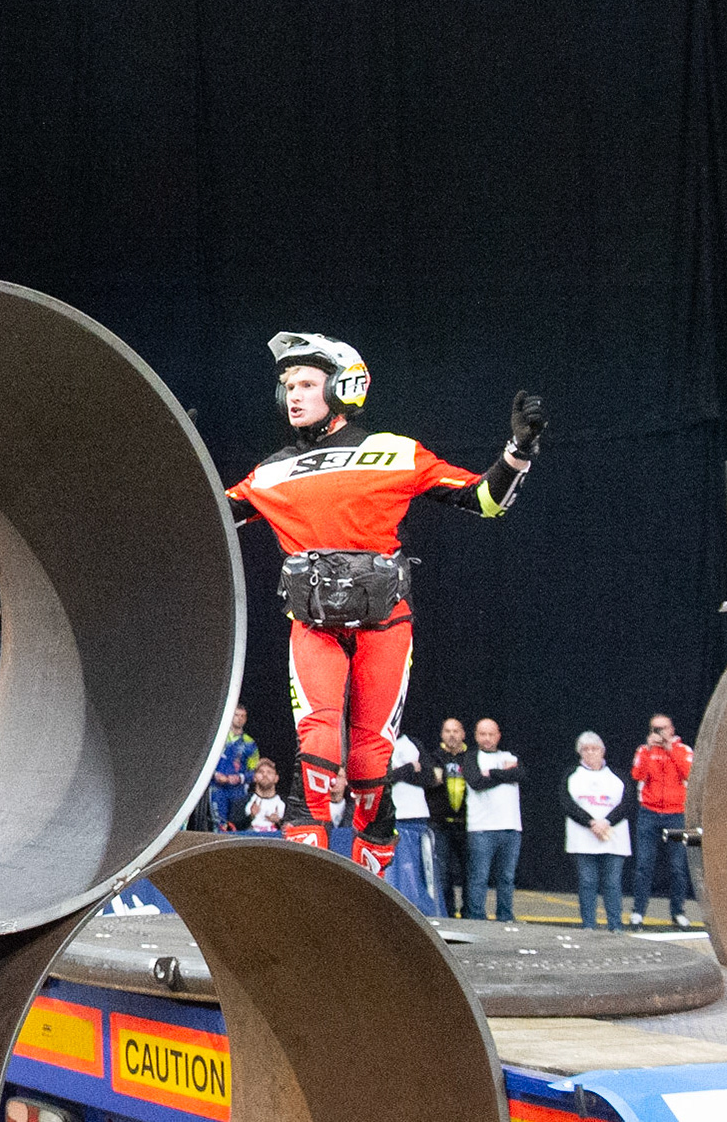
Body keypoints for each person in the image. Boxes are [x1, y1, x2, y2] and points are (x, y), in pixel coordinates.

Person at [225, 332, 545, 875]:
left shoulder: (394, 451)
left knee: (372, 762)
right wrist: (175, 459)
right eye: (286, 385)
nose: (292, 396)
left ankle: (371, 894)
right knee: (318, 743)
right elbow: (202, 517)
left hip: (384, 626)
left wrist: (518, 452)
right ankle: (308, 883)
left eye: (306, 383)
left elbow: (487, 501)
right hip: (313, 627)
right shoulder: (269, 473)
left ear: (345, 387)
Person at [629, 713, 694, 929]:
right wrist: (649, 750)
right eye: (655, 729)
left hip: (676, 813)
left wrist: (669, 749)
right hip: (649, 813)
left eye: (663, 728)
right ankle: (638, 911)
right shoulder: (643, 750)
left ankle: (678, 912)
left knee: (678, 866)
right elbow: (637, 775)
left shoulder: (683, 750)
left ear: (672, 729)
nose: (659, 733)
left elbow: (688, 774)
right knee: (644, 865)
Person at [564, 731, 633, 932]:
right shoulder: (572, 775)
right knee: (587, 882)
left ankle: (615, 925)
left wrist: (607, 821)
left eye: (595, 749)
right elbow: (567, 803)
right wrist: (591, 822)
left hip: (613, 839)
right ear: (580, 752)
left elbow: (627, 802)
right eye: (586, 749)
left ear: (603, 751)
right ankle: (588, 925)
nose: (591, 753)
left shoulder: (617, 776)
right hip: (583, 839)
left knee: (612, 883)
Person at [463, 718, 524, 922]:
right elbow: (476, 782)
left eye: (491, 734)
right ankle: (477, 916)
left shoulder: (509, 756)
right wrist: (505, 774)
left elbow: (520, 774)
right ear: (476, 736)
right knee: (479, 877)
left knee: (506, 878)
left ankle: (505, 915)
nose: (487, 738)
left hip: (510, 826)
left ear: (498, 735)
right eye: (483, 734)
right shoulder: (471, 757)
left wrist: (492, 773)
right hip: (482, 828)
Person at [384, 731, 442, 916]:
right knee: (400, 870)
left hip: (418, 817)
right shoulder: (380, 744)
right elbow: (382, 778)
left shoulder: (413, 743)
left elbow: (430, 777)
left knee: (422, 869)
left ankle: (426, 912)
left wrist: (398, 772)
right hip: (394, 817)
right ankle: (398, 911)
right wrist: (409, 768)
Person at [425, 717, 471, 917]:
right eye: (447, 731)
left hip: (468, 824)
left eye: (456, 731)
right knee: (443, 873)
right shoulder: (434, 757)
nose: (452, 735)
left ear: (463, 734)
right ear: (442, 735)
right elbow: (428, 782)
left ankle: (470, 912)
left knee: (470, 872)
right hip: (440, 824)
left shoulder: (471, 758)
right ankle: (447, 912)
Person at [207, 704, 259, 832]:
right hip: (217, 789)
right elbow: (204, 762)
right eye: (236, 715)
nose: (239, 719)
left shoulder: (249, 743)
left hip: (238, 792)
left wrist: (239, 778)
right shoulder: (218, 738)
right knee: (219, 825)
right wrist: (215, 775)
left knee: (238, 826)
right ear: (230, 716)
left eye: (243, 716)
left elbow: (255, 773)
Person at [229, 758, 287, 833]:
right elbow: (232, 829)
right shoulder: (242, 801)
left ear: (276, 778)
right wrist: (250, 817)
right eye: (260, 772)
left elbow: (294, 828)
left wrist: (279, 822)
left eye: (269, 772)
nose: (265, 775)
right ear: (254, 777)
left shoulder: (285, 803)